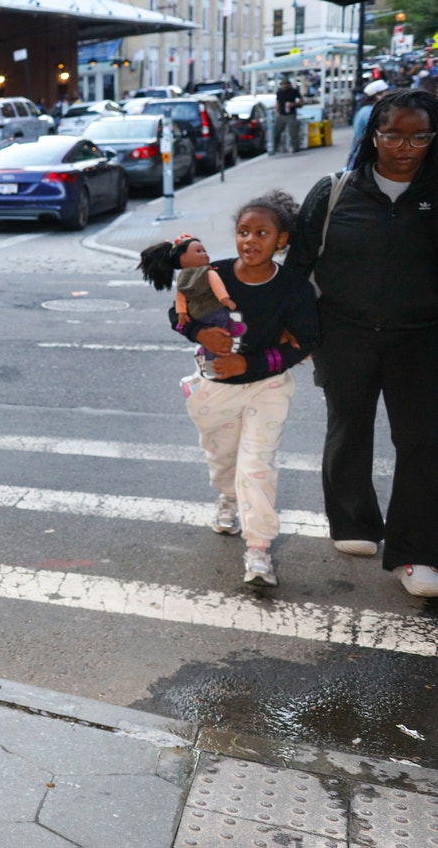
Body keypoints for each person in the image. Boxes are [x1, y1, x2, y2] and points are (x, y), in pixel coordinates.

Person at [286, 88, 438, 598]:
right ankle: (353, 521)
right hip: (343, 334)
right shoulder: (334, 192)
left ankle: (415, 552)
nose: (405, 146)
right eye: (393, 134)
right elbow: (299, 268)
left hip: (421, 338)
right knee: (349, 427)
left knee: (421, 440)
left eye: (419, 135)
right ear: (374, 135)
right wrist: (301, 331)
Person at [171, 192, 320, 587]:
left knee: (256, 465)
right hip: (215, 387)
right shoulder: (212, 272)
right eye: (242, 232)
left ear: (281, 240)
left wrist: (249, 364)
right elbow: (177, 311)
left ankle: (258, 550)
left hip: (267, 387)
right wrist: (199, 331)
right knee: (223, 458)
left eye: (261, 233)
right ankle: (227, 496)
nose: (250, 240)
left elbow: (306, 340)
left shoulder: (293, 289)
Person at [138, 235, 242, 362]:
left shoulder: (214, 270)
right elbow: (175, 314)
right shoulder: (217, 270)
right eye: (244, 232)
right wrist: (199, 333)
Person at [349, 79, 389, 167]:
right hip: (364, 159)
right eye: (386, 93)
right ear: (378, 96)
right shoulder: (370, 112)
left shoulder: (364, 110)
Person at [273, 78, 302, 153]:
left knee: (293, 131)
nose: (284, 86)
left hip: (291, 114)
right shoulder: (279, 92)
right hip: (282, 114)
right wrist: (277, 111)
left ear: (289, 84)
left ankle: (295, 147)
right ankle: (275, 147)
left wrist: (294, 104)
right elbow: (278, 102)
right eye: (283, 84)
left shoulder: (294, 91)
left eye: (286, 84)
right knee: (277, 131)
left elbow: (301, 100)